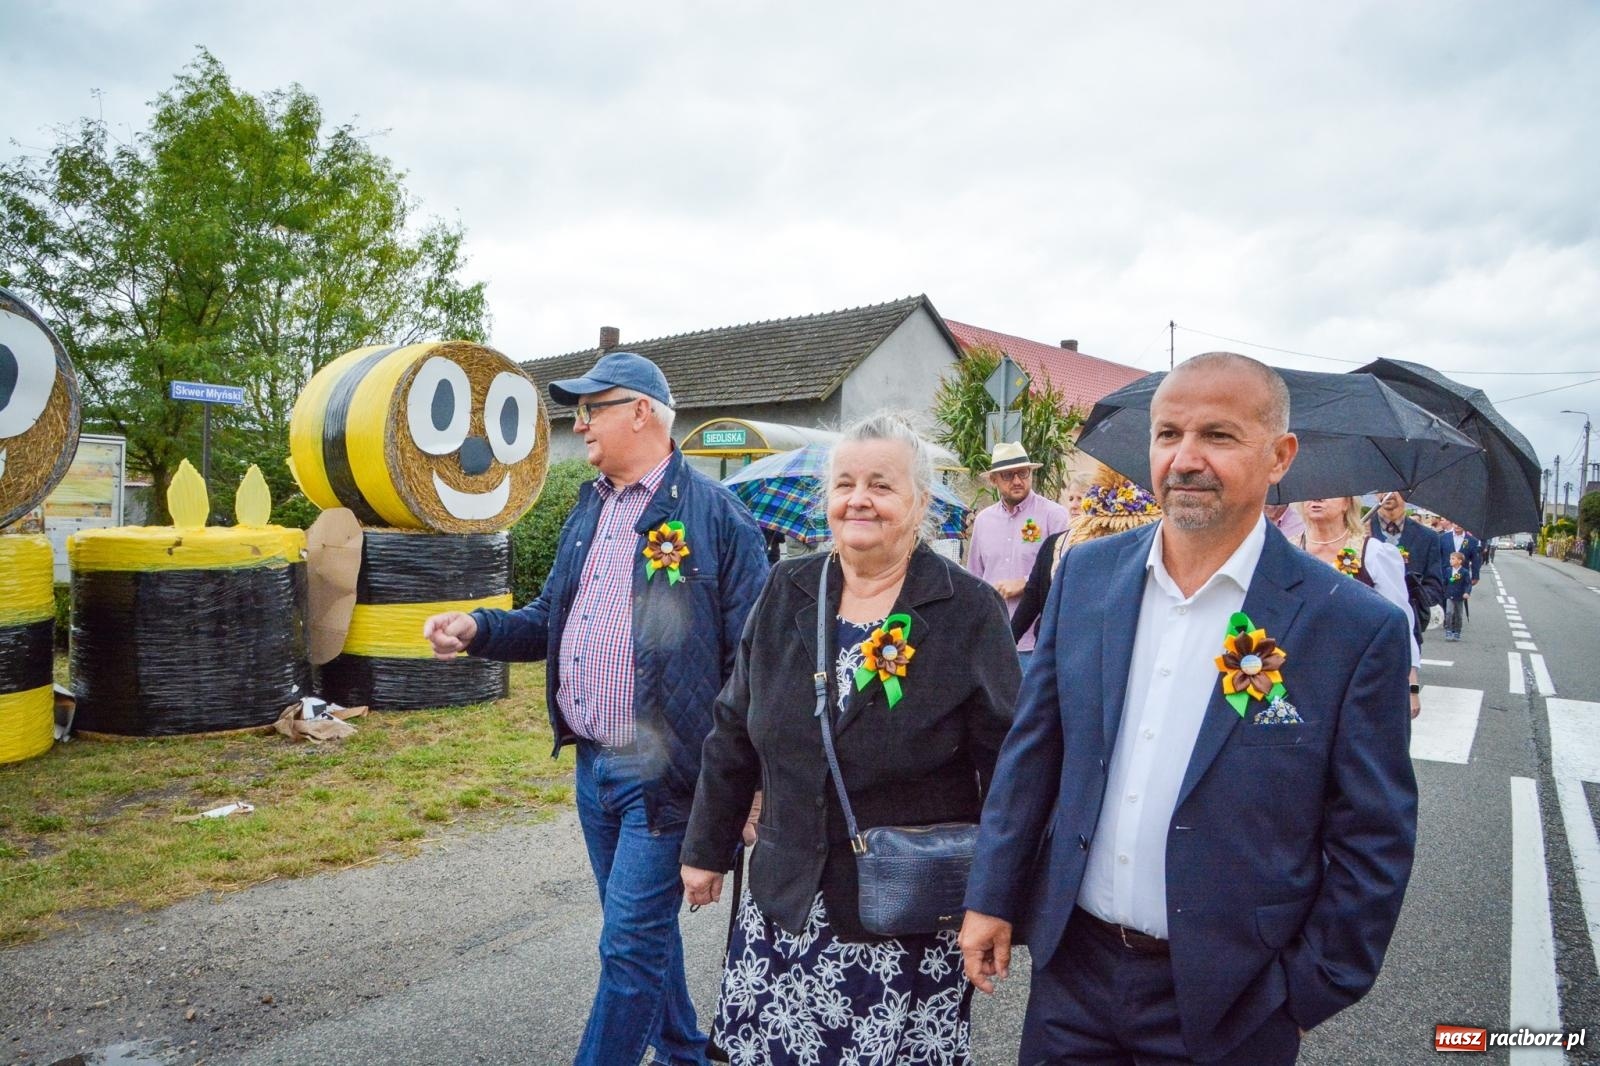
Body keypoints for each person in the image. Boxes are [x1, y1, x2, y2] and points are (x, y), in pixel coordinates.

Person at [960, 352, 1417, 1066]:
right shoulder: (1088, 575)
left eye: (1220, 436)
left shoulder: (1350, 627)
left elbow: (1373, 837)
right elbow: (1034, 753)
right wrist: (991, 894)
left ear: (1280, 457)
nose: (1186, 458)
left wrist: (1308, 990)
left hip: (1231, 998)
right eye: (1168, 434)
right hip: (1072, 978)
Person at [422, 351, 769, 1066]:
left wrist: (751, 786)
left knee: (628, 946)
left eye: (592, 408)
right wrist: (480, 628)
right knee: (636, 932)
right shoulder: (591, 507)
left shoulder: (720, 519)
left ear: (641, 412)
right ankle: (685, 1051)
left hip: (667, 774)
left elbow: (755, 667)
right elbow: (553, 615)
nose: (578, 423)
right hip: (592, 769)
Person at [680, 412, 1021, 1065]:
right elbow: (733, 727)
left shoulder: (968, 609)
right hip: (783, 901)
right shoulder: (788, 587)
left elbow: (1012, 770)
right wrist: (706, 848)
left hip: (900, 915)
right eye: (844, 484)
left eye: (881, 485)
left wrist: (996, 899)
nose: (858, 499)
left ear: (920, 502)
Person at [1296, 496, 1422, 716]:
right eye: (1311, 492)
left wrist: (1410, 685)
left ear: (1347, 503)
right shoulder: (1287, 548)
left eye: (1328, 492)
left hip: (1359, 676)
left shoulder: (1374, 553)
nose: (1316, 498)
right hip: (1298, 677)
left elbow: (1400, 621)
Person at [1011, 465, 1162, 642]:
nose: (1074, 505)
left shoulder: (1114, 547)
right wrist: (1008, 640)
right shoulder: (1054, 544)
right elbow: (1032, 597)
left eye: (1080, 498)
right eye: (1071, 498)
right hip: (1051, 643)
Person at [966, 441, 1070, 663]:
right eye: (1007, 475)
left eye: (1023, 473)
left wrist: (1026, 582)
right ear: (994, 480)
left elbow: (1066, 572)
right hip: (993, 638)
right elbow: (974, 577)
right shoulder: (984, 520)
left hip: (1037, 642)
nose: (1017, 481)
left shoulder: (1055, 516)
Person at [1367, 491, 1447, 627]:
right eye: (1383, 488)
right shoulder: (1358, 530)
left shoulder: (1428, 538)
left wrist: (1410, 601)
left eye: (1394, 488)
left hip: (1407, 627)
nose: (1388, 493)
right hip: (1366, 623)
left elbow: (1434, 586)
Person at [1444, 550, 1471, 640]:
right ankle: (1448, 630)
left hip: (1459, 596)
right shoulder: (1448, 570)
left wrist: (1467, 592)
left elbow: (1468, 584)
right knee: (1449, 613)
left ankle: (1457, 631)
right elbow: (1445, 582)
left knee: (1458, 615)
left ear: (1459, 561)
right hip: (1449, 595)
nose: (1450, 560)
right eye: (1450, 559)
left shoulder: (1464, 572)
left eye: (1453, 559)